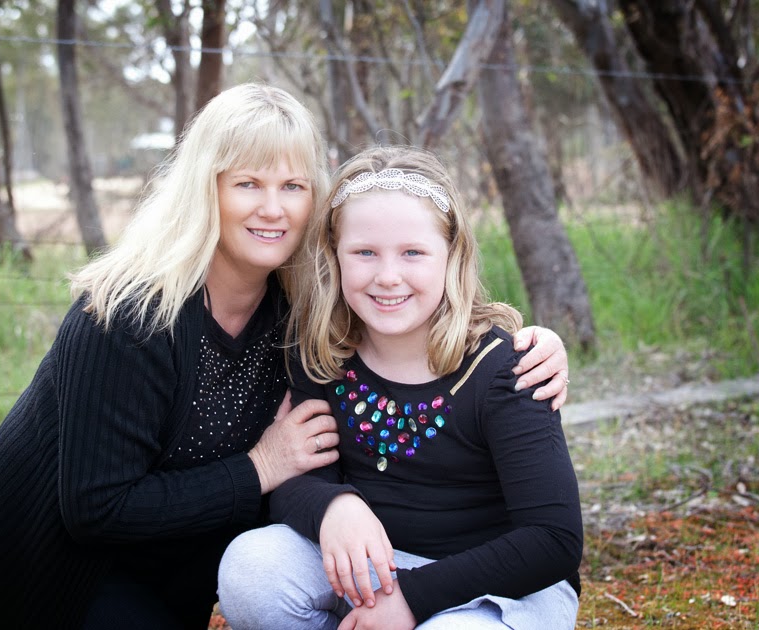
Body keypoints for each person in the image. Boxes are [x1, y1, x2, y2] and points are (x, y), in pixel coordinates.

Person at [0, 85, 570, 630]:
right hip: (67, 568)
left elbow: (429, 316)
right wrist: (266, 469)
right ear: (205, 191)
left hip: (178, 563)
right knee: (251, 569)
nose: (273, 208)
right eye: (247, 184)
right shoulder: (128, 315)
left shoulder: (294, 316)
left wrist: (536, 341)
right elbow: (96, 509)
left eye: (293, 186)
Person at [218, 146, 583, 630]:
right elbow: (297, 480)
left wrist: (412, 599)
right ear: (334, 257)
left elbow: (553, 540)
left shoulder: (503, 369)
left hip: (500, 589)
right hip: (377, 571)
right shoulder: (324, 355)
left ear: (451, 256)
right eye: (364, 253)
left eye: (412, 252)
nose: (387, 277)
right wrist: (333, 506)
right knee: (251, 567)